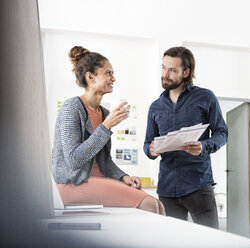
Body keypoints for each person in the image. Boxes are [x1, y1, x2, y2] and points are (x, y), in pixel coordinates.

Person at [52, 46, 165, 215]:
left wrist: (123, 176)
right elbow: (74, 160)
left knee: (157, 204)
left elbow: (105, 162)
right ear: (90, 77)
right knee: (149, 203)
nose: (114, 78)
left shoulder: (104, 113)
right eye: (108, 73)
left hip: (96, 181)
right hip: (72, 183)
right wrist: (106, 127)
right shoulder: (72, 107)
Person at [143, 46, 228, 228]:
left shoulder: (206, 97)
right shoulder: (155, 107)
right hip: (167, 188)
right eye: (163, 67)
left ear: (186, 72)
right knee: (172, 241)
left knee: (209, 240)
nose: (165, 74)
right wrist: (150, 150)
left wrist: (204, 146)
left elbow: (222, 133)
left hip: (198, 184)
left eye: (172, 70)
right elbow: (147, 144)